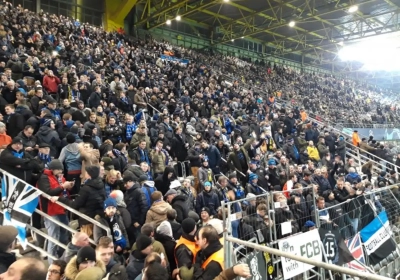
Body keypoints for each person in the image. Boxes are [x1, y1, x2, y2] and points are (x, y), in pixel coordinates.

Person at [51, 165, 106, 237]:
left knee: (86, 241)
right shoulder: (101, 185)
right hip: (98, 218)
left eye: (86, 172)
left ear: (89, 175)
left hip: (87, 220)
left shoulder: (86, 188)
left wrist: (59, 198)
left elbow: (75, 205)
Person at [37, 159, 74, 263]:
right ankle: (51, 263)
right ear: (53, 169)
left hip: (61, 209)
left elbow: (62, 191)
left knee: (64, 235)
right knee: (53, 238)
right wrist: (63, 186)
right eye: (59, 170)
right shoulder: (43, 178)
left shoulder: (59, 177)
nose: (61, 172)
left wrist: (69, 187)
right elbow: (48, 193)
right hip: (50, 211)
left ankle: (62, 259)